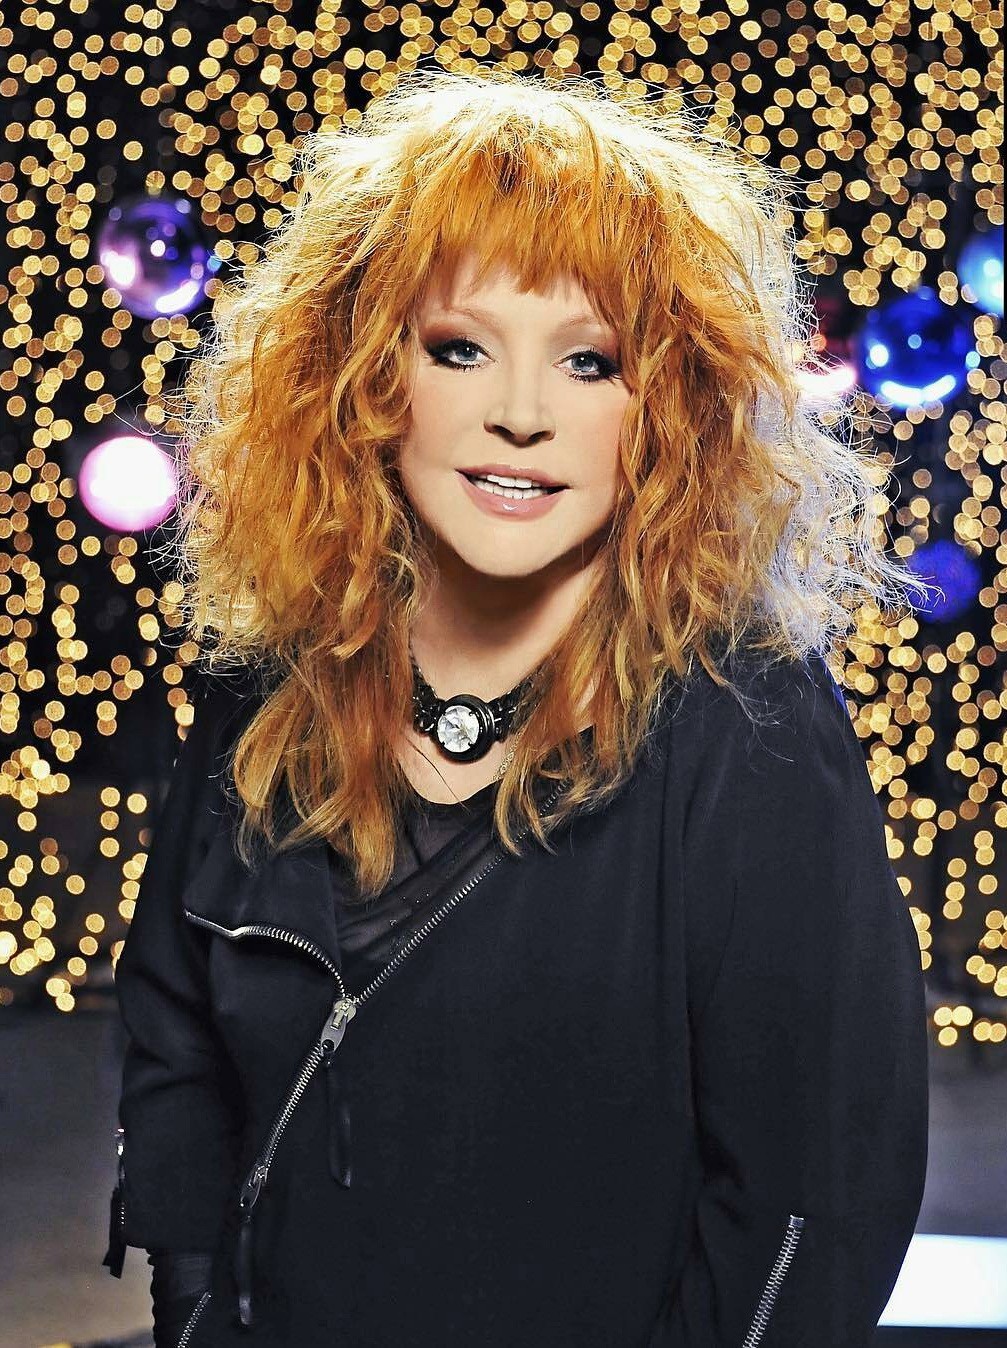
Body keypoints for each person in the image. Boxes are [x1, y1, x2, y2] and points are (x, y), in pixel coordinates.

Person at [102, 65, 930, 1346]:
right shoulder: (266, 684)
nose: (521, 415)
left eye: (590, 361)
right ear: (362, 372)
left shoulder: (746, 721)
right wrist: (194, 1305)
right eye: (459, 347)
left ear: (670, 404)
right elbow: (175, 1040)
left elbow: (812, 1200)